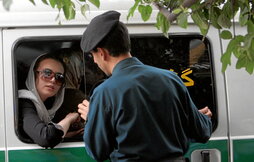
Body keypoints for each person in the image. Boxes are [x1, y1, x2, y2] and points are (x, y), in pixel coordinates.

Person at [78, 10, 213, 162]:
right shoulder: (171, 79)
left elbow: (98, 151)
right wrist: (201, 118)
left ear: (102, 53)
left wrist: (92, 117)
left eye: (93, 56)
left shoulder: (104, 92)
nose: (95, 61)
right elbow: (202, 132)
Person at [18, 53, 80, 148]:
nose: (53, 80)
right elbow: (45, 138)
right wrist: (68, 119)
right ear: (34, 75)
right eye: (47, 73)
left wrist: (68, 135)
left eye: (59, 77)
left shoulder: (49, 105)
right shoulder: (24, 101)